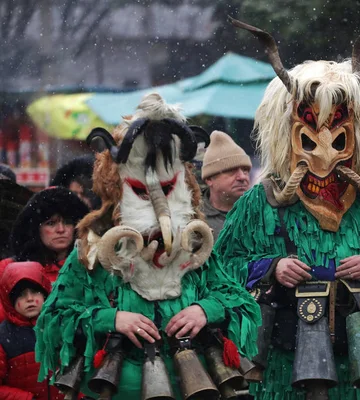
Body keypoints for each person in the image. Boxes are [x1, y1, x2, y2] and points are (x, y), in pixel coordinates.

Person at [217, 14, 360, 400]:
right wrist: (271, 267)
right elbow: (220, 271)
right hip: (284, 364)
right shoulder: (261, 199)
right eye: (309, 135)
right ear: (288, 132)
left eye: (336, 136)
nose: (323, 151)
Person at [35, 94, 260, 399]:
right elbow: (53, 318)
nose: (160, 208)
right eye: (141, 193)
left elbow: (241, 301)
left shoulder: (195, 249)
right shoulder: (91, 254)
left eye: (168, 190)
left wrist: (205, 310)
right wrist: (110, 319)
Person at [0, 187, 89, 322]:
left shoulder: (90, 267)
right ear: (36, 229)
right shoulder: (9, 268)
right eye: (51, 223)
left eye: (68, 222)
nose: (61, 229)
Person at [0, 261, 63, 400]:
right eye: (21, 294)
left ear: (46, 294)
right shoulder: (3, 337)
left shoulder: (63, 325)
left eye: (35, 292)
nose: (30, 299)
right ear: (9, 300)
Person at [200, 130, 252, 240]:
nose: (242, 177)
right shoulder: (194, 218)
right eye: (232, 171)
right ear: (209, 179)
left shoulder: (262, 213)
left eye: (245, 170)